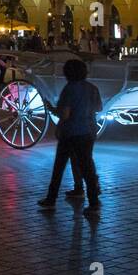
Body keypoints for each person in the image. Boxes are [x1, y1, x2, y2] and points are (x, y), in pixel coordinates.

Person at [37, 57, 102, 217]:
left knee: (59, 167)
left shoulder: (69, 89)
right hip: (88, 131)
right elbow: (98, 107)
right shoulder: (92, 88)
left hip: (70, 132)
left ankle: (51, 199)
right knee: (87, 166)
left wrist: (53, 110)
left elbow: (64, 114)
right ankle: (93, 202)